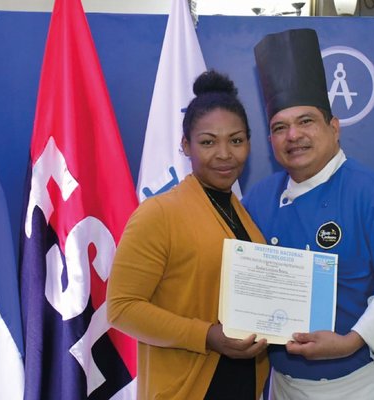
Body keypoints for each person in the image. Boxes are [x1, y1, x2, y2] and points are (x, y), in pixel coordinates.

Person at [242, 29, 374, 399]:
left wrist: (351, 341)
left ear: (334, 127)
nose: (293, 135)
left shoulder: (372, 194)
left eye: (306, 121)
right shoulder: (258, 198)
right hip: (285, 385)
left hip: (367, 385)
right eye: (280, 127)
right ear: (271, 141)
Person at [107, 70, 269, 400]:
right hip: (185, 387)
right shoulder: (159, 213)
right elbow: (122, 308)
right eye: (208, 142)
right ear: (186, 145)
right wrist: (207, 335)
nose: (224, 154)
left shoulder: (245, 214)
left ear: (249, 143)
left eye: (236, 140)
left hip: (242, 383)